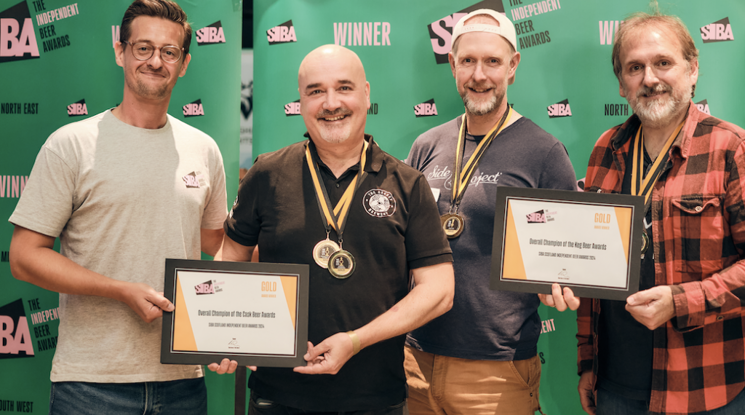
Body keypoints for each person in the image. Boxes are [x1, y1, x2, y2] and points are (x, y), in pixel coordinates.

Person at [208, 44, 455, 413]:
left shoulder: (407, 184)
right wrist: (222, 332)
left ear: (366, 94)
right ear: (301, 102)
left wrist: (356, 340)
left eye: (344, 88)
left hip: (376, 400)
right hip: (277, 397)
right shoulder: (267, 174)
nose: (331, 103)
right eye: (316, 91)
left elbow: (439, 290)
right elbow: (230, 258)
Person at [8, 1, 227, 413]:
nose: (155, 61)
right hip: (90, 385)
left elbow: (218, 247)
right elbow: (23, 257)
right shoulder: (70, 145)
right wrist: (119, 290)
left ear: (184, 64)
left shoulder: (204, 149)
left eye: (169, 52)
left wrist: (226, 331)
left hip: (182, 382)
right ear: (120, 52)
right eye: (143, 48)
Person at [404, 9, 579, 415]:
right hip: (415, 360)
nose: (479, 75)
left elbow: (568, 258)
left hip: (496, 373)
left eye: (492, 62)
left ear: (513, 66)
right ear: (452, 65)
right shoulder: (426, 145)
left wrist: (561, 280)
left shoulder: (544, 153)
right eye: (467, 61)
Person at [576, 8, 745, 415]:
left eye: (663, 63)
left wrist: (681, 301)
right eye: (635, 67)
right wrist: (588, 363)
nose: (649, 79)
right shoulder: (605, 149)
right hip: (616, 385)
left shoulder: (731, 148)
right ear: (621, 84)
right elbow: (588, 270)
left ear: (693, 69)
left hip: (705, 388)